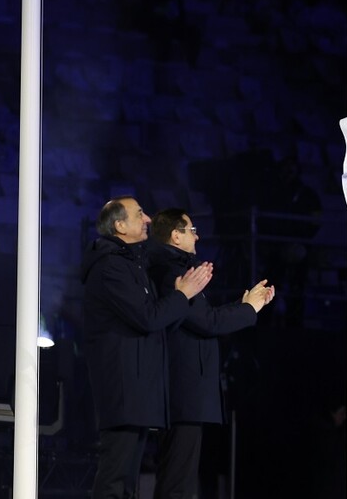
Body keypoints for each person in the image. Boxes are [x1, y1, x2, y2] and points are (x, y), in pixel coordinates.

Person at [82, 196, 213, 499]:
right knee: (116, 480)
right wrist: (183, 294)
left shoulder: (131, 264)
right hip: (124, 390)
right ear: (120, 225)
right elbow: (147, 317)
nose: (148, 220)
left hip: (137, 392)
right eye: (139, 214)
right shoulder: (111, 267)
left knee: (127, 482)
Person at [147, 208, 275, 499]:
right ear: (176, 236)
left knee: (178, 476)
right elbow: (209, 323)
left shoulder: (176, 269)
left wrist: (244, 305)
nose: (198, 236)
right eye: (192, 230)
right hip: (182, 392)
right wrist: (249, 309)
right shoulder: (173, 272)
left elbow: (206, 317)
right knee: (176, 480)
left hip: (184, 392)